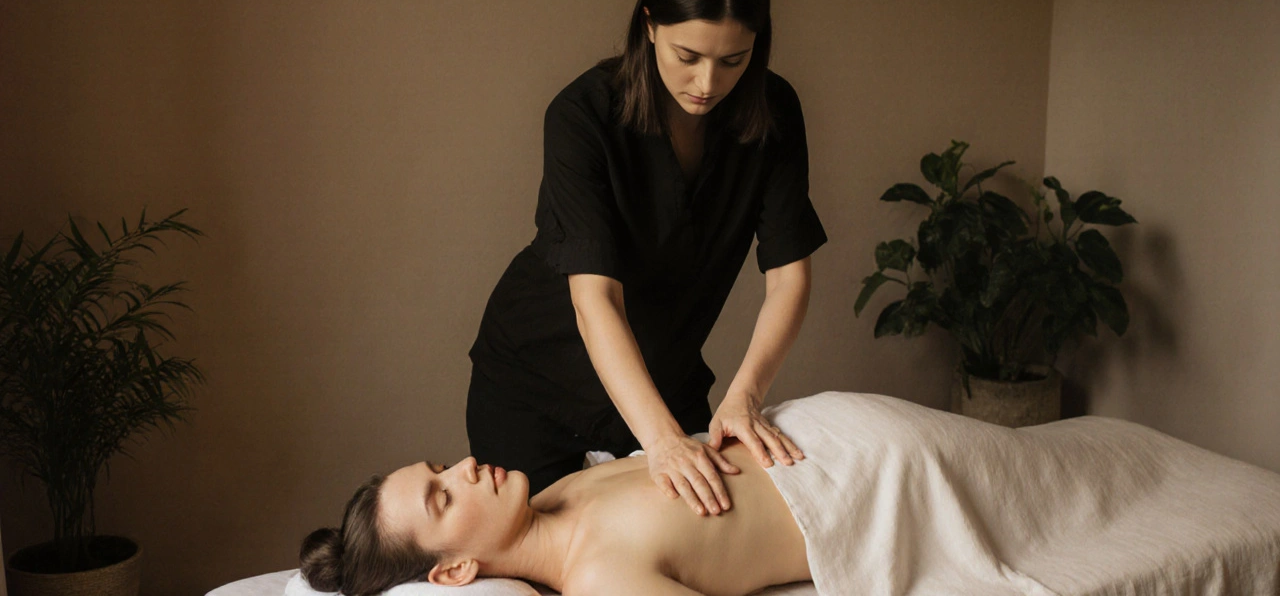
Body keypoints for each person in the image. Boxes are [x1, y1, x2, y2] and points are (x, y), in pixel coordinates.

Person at [465, 0, 827, 517]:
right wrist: (660, 443)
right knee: (548, 563)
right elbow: (595, 300)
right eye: (688, 57)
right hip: (535, 381)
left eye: (732, 60)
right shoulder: (582, 116)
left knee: (700, 538)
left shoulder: (773, 112)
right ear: (650, 24)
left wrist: (745, 397)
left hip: (666, 377)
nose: (707, 84)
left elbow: (789, 279)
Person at [298, 391, 1280, 596]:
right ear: (456, 570)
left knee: (1081, 465)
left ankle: (1135, 460)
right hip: (885, 485)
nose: (460, 469)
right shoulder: (600, 579)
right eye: (440, 498)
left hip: (833, 428)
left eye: (437, 467)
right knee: (1085, 482)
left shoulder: (553, 496)